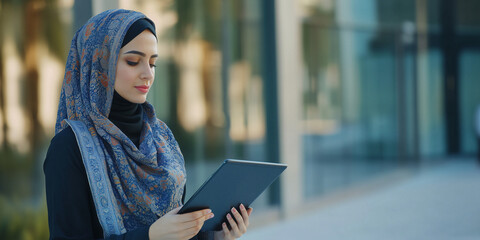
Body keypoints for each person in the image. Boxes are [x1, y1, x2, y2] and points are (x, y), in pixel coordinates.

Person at [43, 9, 252, 240]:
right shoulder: (69, 148)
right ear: (100, 64)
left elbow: (176, 230)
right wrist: (150, 236)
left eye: (153, 64)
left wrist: (217, 235)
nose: (147, 74)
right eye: (133, 62)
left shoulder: (162, 137)